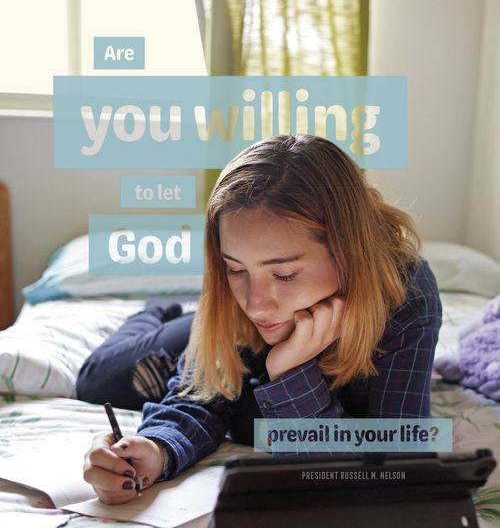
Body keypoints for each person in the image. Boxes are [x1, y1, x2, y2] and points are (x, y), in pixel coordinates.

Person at [82, 134, 442, 504]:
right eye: (235, 269)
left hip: (264, 374)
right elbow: (205, 391)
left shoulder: (406, 297)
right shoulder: (240, 305)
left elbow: (397, 464)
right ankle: (157, 311)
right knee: (97, 382)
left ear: (348, 254)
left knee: (248, 412)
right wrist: (158, 449)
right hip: (225, 335)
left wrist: (289, 372)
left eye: (284, 275)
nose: (256, 306)